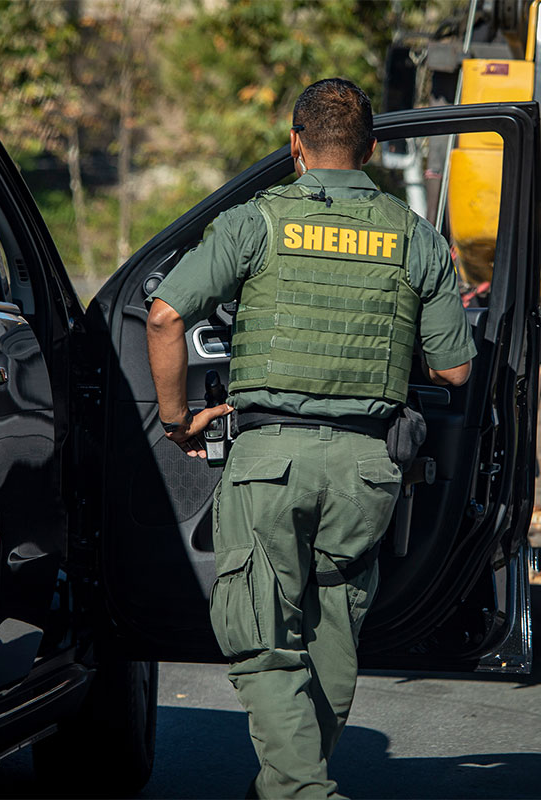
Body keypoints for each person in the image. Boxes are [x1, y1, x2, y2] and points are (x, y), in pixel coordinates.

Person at [146, 78, 476, 799]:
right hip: (367, 468)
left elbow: (166, 316)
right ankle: (285, 785)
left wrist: (176, 422)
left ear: (294, 143)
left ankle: (302, 793)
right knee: (332, 634)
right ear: (373, 152)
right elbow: (455, 367)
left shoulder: (256, 222)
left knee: (264, 639)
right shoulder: (414, 236)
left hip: (269, 459)